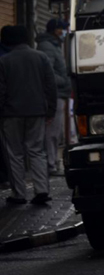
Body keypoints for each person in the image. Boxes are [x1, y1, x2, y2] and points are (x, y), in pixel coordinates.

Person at [0, 25, 58, 205]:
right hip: (37, 112)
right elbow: (51, 86)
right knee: (37, 151)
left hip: (11, 114)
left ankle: (19, 194)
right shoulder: (41, 58)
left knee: (14, 154)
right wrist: (50, 110)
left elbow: (1, 90)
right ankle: (42, 190)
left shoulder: (4, 61)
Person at [36, 19, 72, 175]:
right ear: (56, 30)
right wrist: (64, 81)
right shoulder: (47, 47)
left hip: (59, 93)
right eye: (63, 29)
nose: (65, 32)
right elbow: (47, 72)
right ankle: (50, 165)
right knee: (51, 132)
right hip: (53, 94)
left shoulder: (54, 46)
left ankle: (52, 163)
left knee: (54, 132)